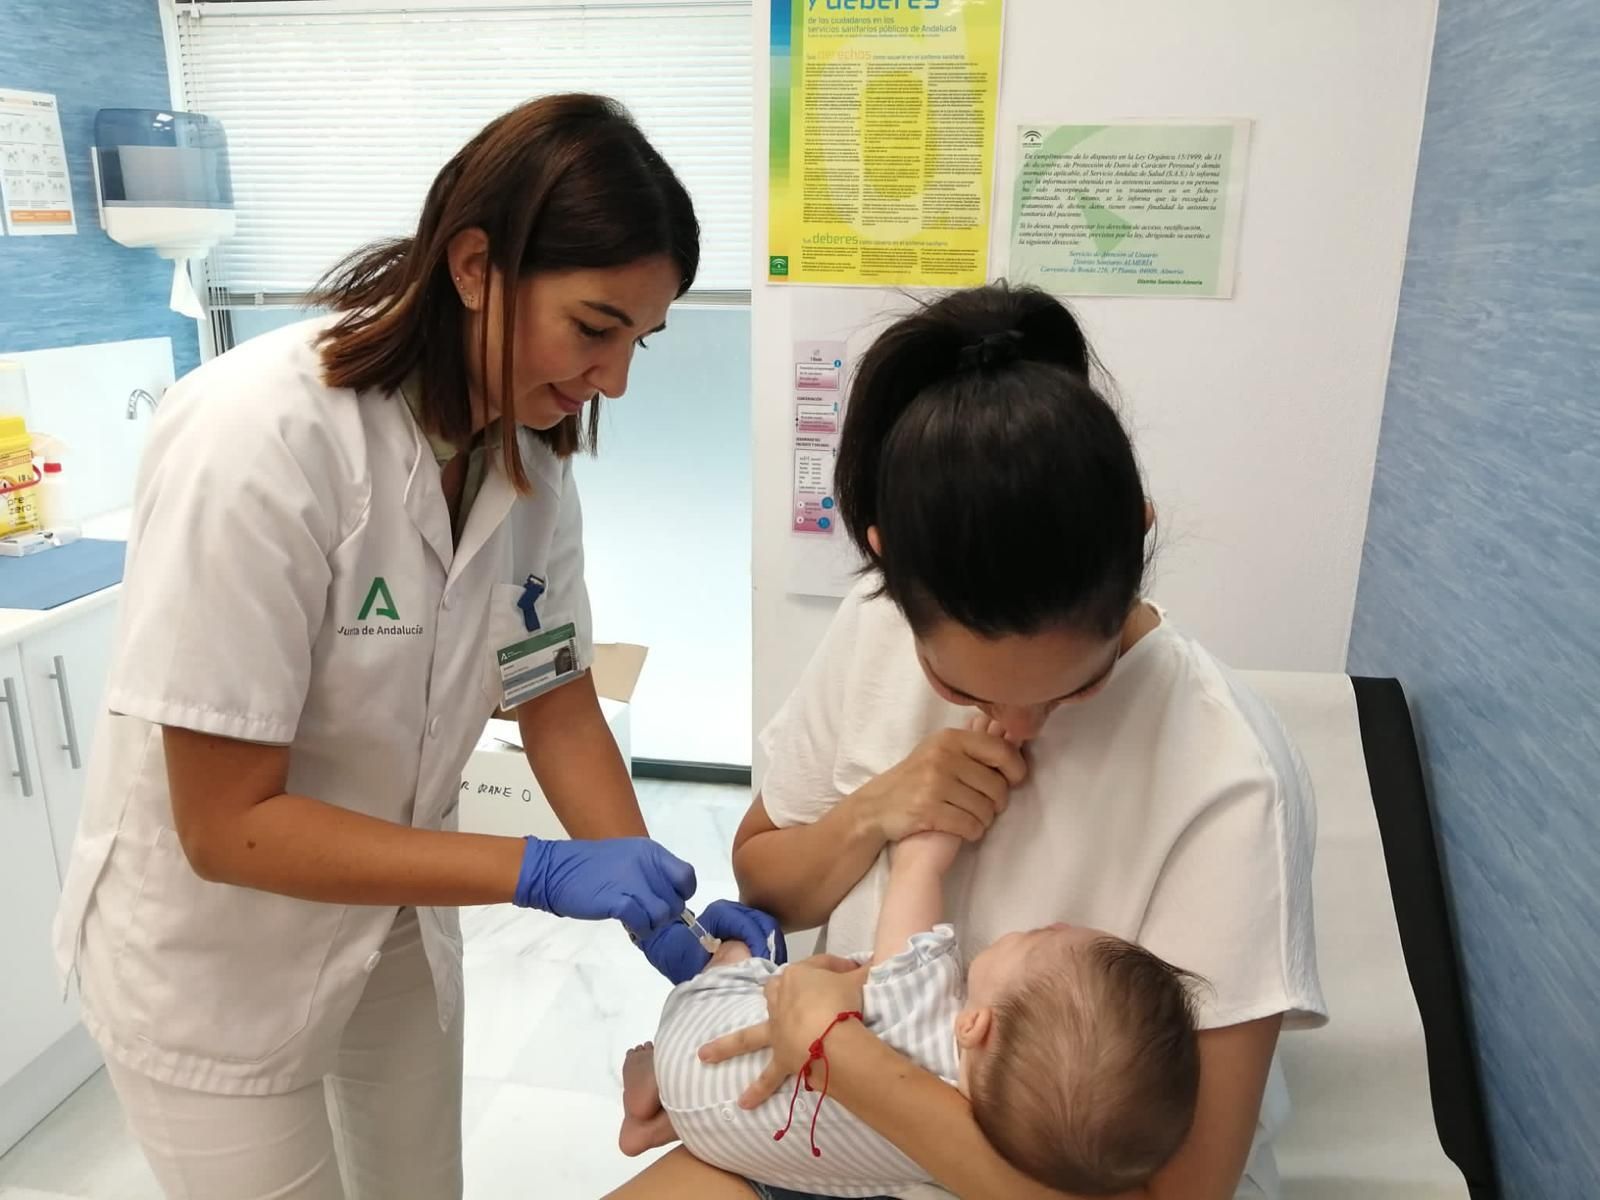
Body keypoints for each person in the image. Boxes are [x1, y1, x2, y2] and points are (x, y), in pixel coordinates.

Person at [51, 94, 778, 1200]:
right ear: (476, 264)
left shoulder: (522, 453)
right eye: (595, 327)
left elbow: (555, 695)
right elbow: (226, 827)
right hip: (219, 953)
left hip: (387, 910)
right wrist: (534, 870)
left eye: (641, 338)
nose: (615, 380)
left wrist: (653, 902)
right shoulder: (260, 438)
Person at [608, 283, 1326, 1200]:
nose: (1015, 728)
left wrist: (845, 1058)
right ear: (889, 564)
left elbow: (1177, 1195)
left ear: (1136, 535)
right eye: (959, 687)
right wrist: (877, 810)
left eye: (1079, 685)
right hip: (839, 1141)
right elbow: (765, 887)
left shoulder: (1231, 782)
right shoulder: (875, 630)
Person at [619, 800, 1203, 1198]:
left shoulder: (921, 1004)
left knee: (748, 954)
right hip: (732, 1146)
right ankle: (653, 1121)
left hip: (701, 1047)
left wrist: (929, 846)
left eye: (1039, 940)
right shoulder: (964, 1165)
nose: (1047, 924)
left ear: (973, 1024)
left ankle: (661, 1074)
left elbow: (912, 886)